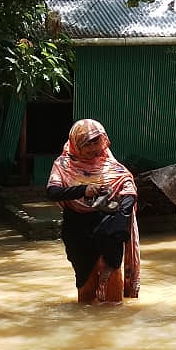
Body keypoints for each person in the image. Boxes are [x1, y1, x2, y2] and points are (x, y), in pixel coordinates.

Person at [46, 119, 140, 304]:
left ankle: (114, 321)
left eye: (97, 141)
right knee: (85, 282)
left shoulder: (111, 165)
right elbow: (52, 192)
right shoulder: (63, 165)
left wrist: (121, 214)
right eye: (87, 144)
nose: (94, 148)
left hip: (108, 225)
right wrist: (83, 190)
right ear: (76, 144)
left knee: (112, 278)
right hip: (77, 228)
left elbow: (129, 189)